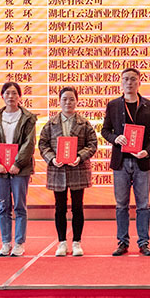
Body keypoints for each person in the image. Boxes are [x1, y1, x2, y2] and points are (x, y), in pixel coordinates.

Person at [101, 68, 150, 256]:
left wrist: (147, 151)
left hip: (142, 161)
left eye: (133, 79)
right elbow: (105, 130)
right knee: (121, 204)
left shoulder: (149, 106)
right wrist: (115, 138)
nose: (129, 82)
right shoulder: (113, 105)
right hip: (120, 162)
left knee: (143, 204)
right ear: (121, 82)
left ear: (139, 82)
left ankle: (143, 243)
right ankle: (122, 242)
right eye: (126, 79)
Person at [39, 86, 98, 257]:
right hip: (57, 170)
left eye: (71, 99)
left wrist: (80, 156)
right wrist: (52, 158)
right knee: (60, 208)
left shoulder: (84, 123)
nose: (68, 102)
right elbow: (43, 144)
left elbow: (92, 144)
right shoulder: (51, 123)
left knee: (78, 207)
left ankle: (77, 242)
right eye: (64, 99)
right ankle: (62, 242)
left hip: (78, 169)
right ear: (59, 101)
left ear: (77, 101)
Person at [0, 81, 37, 257]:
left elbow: (29, 143)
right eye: (7, 93)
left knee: (20, 206)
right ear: (2, 96)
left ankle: (19, 243)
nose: (11, 96)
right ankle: (6, 242)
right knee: (3, 206)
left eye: (14, 93)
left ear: (20, 96)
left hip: (20, 169)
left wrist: (18, 164)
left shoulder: (28, 118)